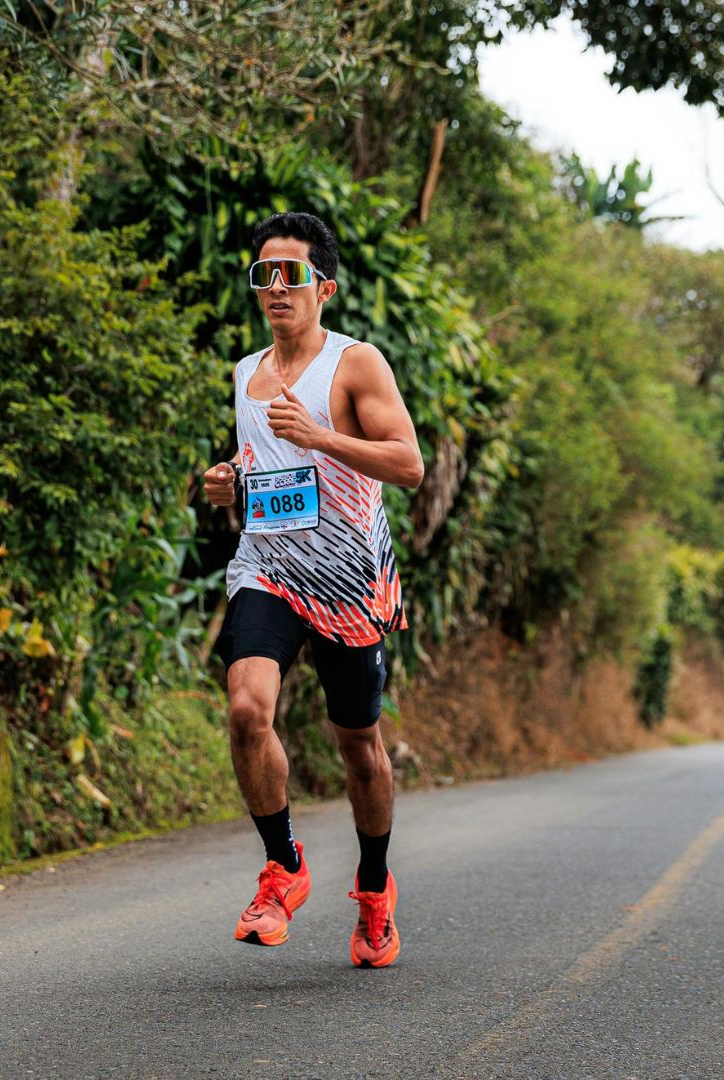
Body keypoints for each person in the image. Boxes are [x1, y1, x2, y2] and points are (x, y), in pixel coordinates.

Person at [201, 211, 425, 969]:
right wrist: (230, 480)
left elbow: (407, 464)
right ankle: (284, 866)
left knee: (359, 747)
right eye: (262, 275)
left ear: (322, 287)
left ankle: (372, 890)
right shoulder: (244, 372)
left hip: (348, 584)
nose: (274, 289)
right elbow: (261, 465)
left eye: (289, 275)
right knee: (245, 708)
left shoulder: (357, 364)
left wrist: (323, 436)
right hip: (267, 567)